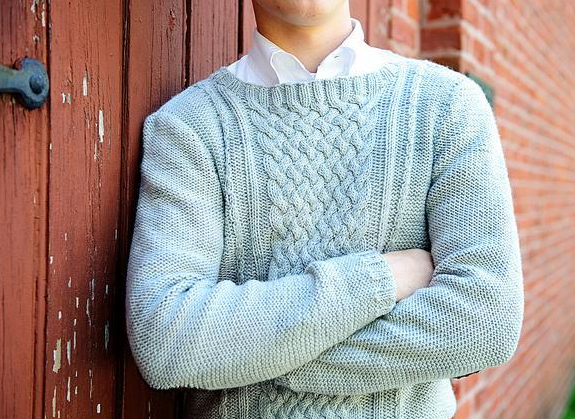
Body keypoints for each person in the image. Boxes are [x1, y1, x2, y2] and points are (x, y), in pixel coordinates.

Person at [124, 1, 525, 418]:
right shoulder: (189, 126)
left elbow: (485, 322)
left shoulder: (446, 106)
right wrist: (382, 279)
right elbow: (166, 340)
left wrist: (253, 354)